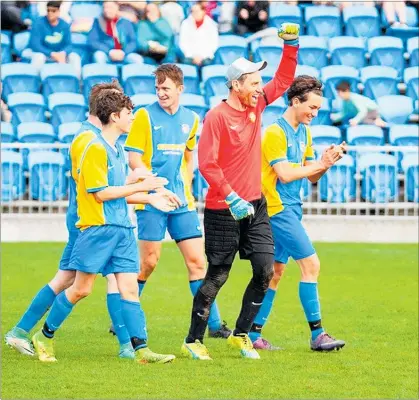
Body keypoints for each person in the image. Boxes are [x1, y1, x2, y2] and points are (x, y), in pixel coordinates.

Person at [4, 81, 179, 360]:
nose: (131, 115)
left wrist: (150, 193)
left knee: (119, 283)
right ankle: (29, 332)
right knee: (73, 283)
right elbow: (99, 191)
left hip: (115, 223)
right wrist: (141, 189)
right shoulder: (89, 140)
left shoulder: (111, 143)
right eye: (125, 109)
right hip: (91, 223)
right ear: (109, 111)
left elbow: (118, 182)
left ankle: (135, 348)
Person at [180, 23, 300, 361]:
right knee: (218, 274)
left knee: (265, 270)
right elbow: (207, 164)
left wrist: (290, 46)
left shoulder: (257, 105)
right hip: (223, 208)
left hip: (256, 205)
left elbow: (283, 81)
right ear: (236, 85)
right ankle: (193, 340)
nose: (260, 88)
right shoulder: (216, 117)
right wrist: (230, 195)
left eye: (259, 83)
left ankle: (241, 335)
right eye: (253, 82)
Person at [124, 64, 231, 339]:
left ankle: (215, 324)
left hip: (181, 203)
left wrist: (187, 181)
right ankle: (126, 312)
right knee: (149, 262)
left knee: (197, 262)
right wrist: (151, 184)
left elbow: (188, 154)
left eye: (166, 88)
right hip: (151, 201)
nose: (161, 93)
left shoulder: (192, 119)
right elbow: (134, 158)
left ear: (180, 89)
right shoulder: (144, 117)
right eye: (157, 88)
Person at [248, 75, 347, 352]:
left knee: (276, 272)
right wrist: (319, 164)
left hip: (292, 208)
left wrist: (326, 163)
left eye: (317, 109)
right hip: (276, 208)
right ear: (295, 101)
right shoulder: (275, 133)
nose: (315, 114)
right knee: (311, 265)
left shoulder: (304, 131)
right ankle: (318, 334)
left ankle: (252, 333)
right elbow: (286, 174)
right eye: (312, 108)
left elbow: (312, 176)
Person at [22, 1, 81, 76]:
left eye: (53, 11)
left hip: (58, 53)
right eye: (48, 10)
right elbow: (35, 45)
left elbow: (69, 45)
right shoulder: (38, 23)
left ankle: (76, 82)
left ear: (59, 12)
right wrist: (52, 54)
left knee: (75, 57)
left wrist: (63, 53)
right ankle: (36, 83)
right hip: (38, 52)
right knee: (39, 57)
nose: (50, 13)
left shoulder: (65, 25)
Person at [88, 0, 143, 65]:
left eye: (110, 7)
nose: (106, 10)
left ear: (117, 8)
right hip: (107, 54)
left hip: (124, 54)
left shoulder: (125, 22)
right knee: (99, 56)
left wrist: (124, 52)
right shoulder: (98, 22)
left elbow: (133, 41)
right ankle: (104, 75)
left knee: (137, 59)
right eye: (105, 7)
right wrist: (109, 51)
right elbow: (92, 41)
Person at [179, 1, 218, 67]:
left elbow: (214, 44)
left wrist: (202, 56)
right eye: (192, 11)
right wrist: (193, 56)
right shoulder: (185, 24)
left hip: (206, 56)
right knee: (185, 62)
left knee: (207, 63)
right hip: (190, 56)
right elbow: (183, 43)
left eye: (197, 11)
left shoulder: (212, 24)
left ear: (203, 11)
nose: (194, 13)